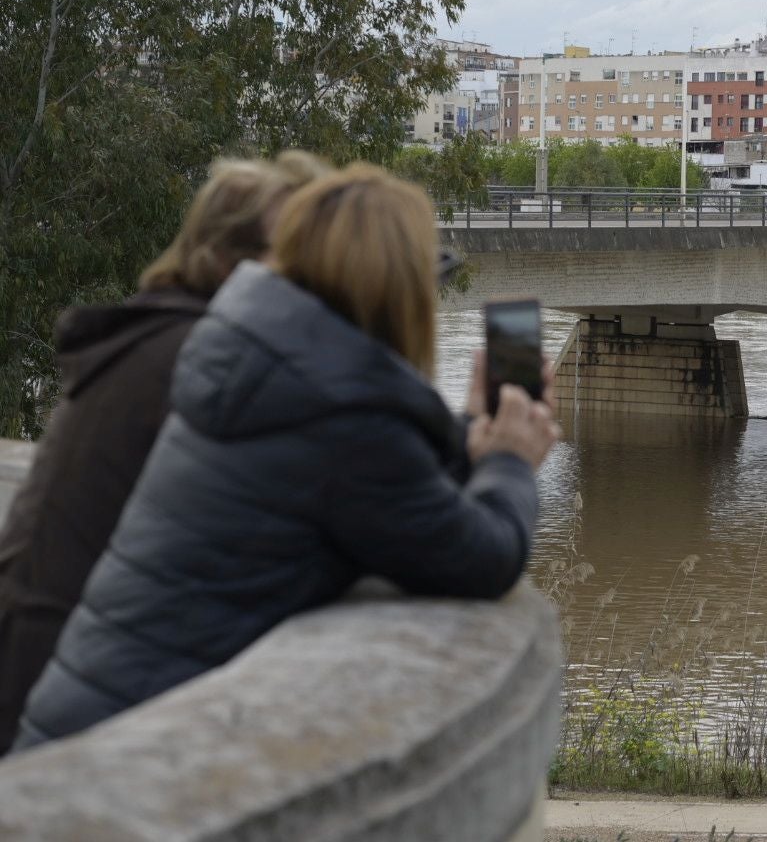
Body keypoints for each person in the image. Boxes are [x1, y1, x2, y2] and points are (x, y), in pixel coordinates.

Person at [10, 164, 559, 752]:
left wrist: (473, 437)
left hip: (80, 711)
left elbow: (384, 487)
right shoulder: (340, 414)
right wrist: (509, 463)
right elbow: (482, 557)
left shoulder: (257, 363)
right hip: (121, 749)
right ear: (397, 289)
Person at [0, 152, 329, 751]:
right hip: (63, 695)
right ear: (232, 266)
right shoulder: (203, 361)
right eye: (298, 262)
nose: (319, 282)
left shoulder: (150, 336)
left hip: (39, 657)